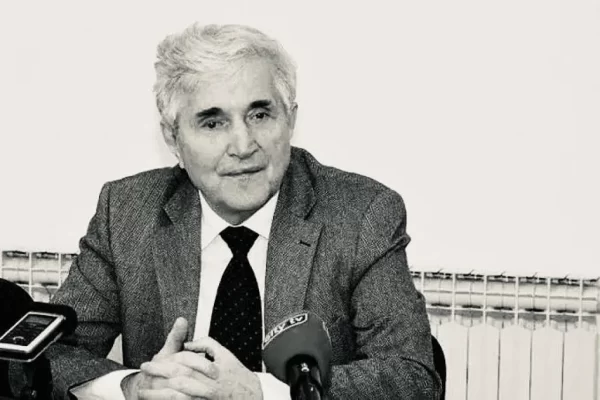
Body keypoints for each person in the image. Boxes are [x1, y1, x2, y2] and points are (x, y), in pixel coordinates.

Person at [9, 23, 441, 399]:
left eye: (260, 114)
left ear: (290, 120)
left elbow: (413, 377)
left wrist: (261, 393)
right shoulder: (126, 213)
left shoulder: (362, 215)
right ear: (173, 139)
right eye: (213, 122)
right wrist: (133, 387)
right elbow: (40, 357)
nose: (243, 145)